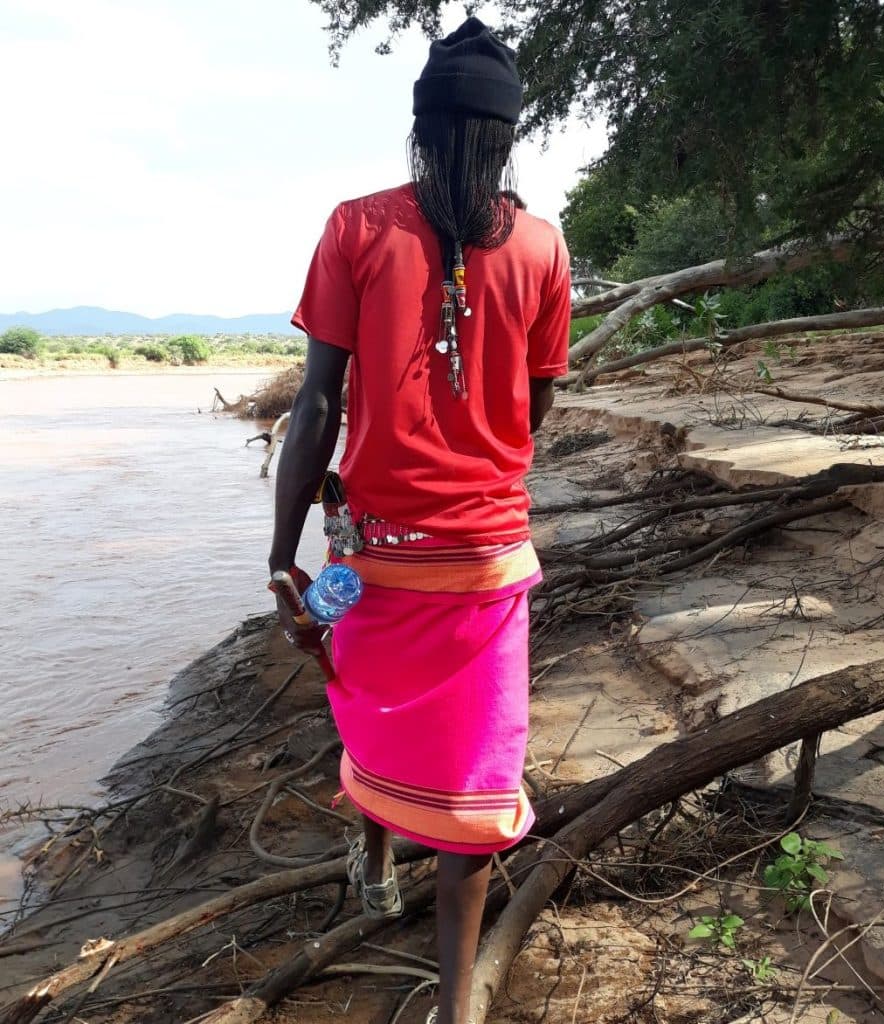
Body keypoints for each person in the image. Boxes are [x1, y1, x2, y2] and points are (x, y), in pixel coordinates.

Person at [268, 17, 570, 1024]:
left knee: (363, 703)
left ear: (421, 128)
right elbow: (535, 406)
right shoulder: (542, 245)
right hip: (487, 563)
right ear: (506, 135)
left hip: (367, 557)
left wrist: (280, 557)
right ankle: (453, 1004)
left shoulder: (356, 227)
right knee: (474, 782)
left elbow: (316, 404)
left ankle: (373, 856)